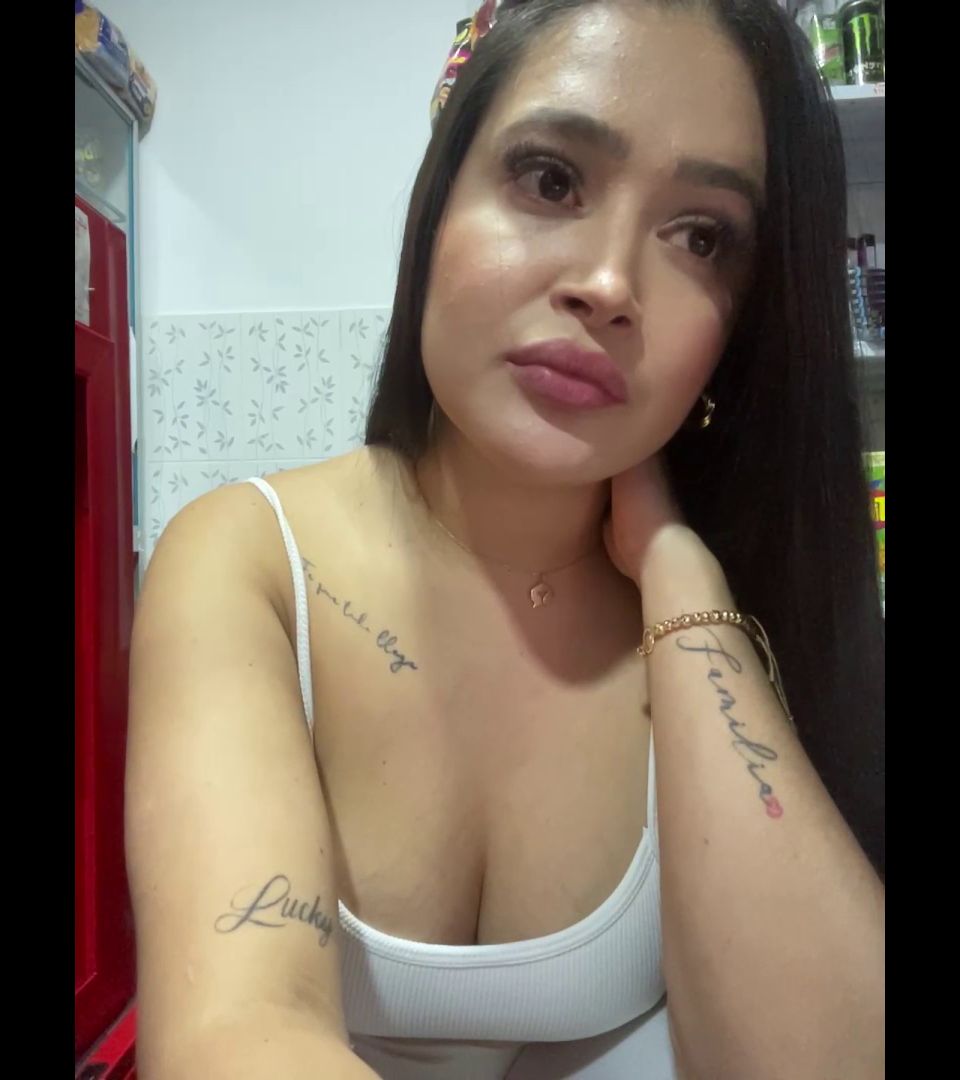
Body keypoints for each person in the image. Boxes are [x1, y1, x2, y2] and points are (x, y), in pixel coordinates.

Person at [125, 1, 885, 1077]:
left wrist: (677, 571)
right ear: (439, 199)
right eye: (550, 179)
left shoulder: (738, 603)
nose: (609, 284)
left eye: (701, 237)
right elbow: (234, 1031)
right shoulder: (248, 559)